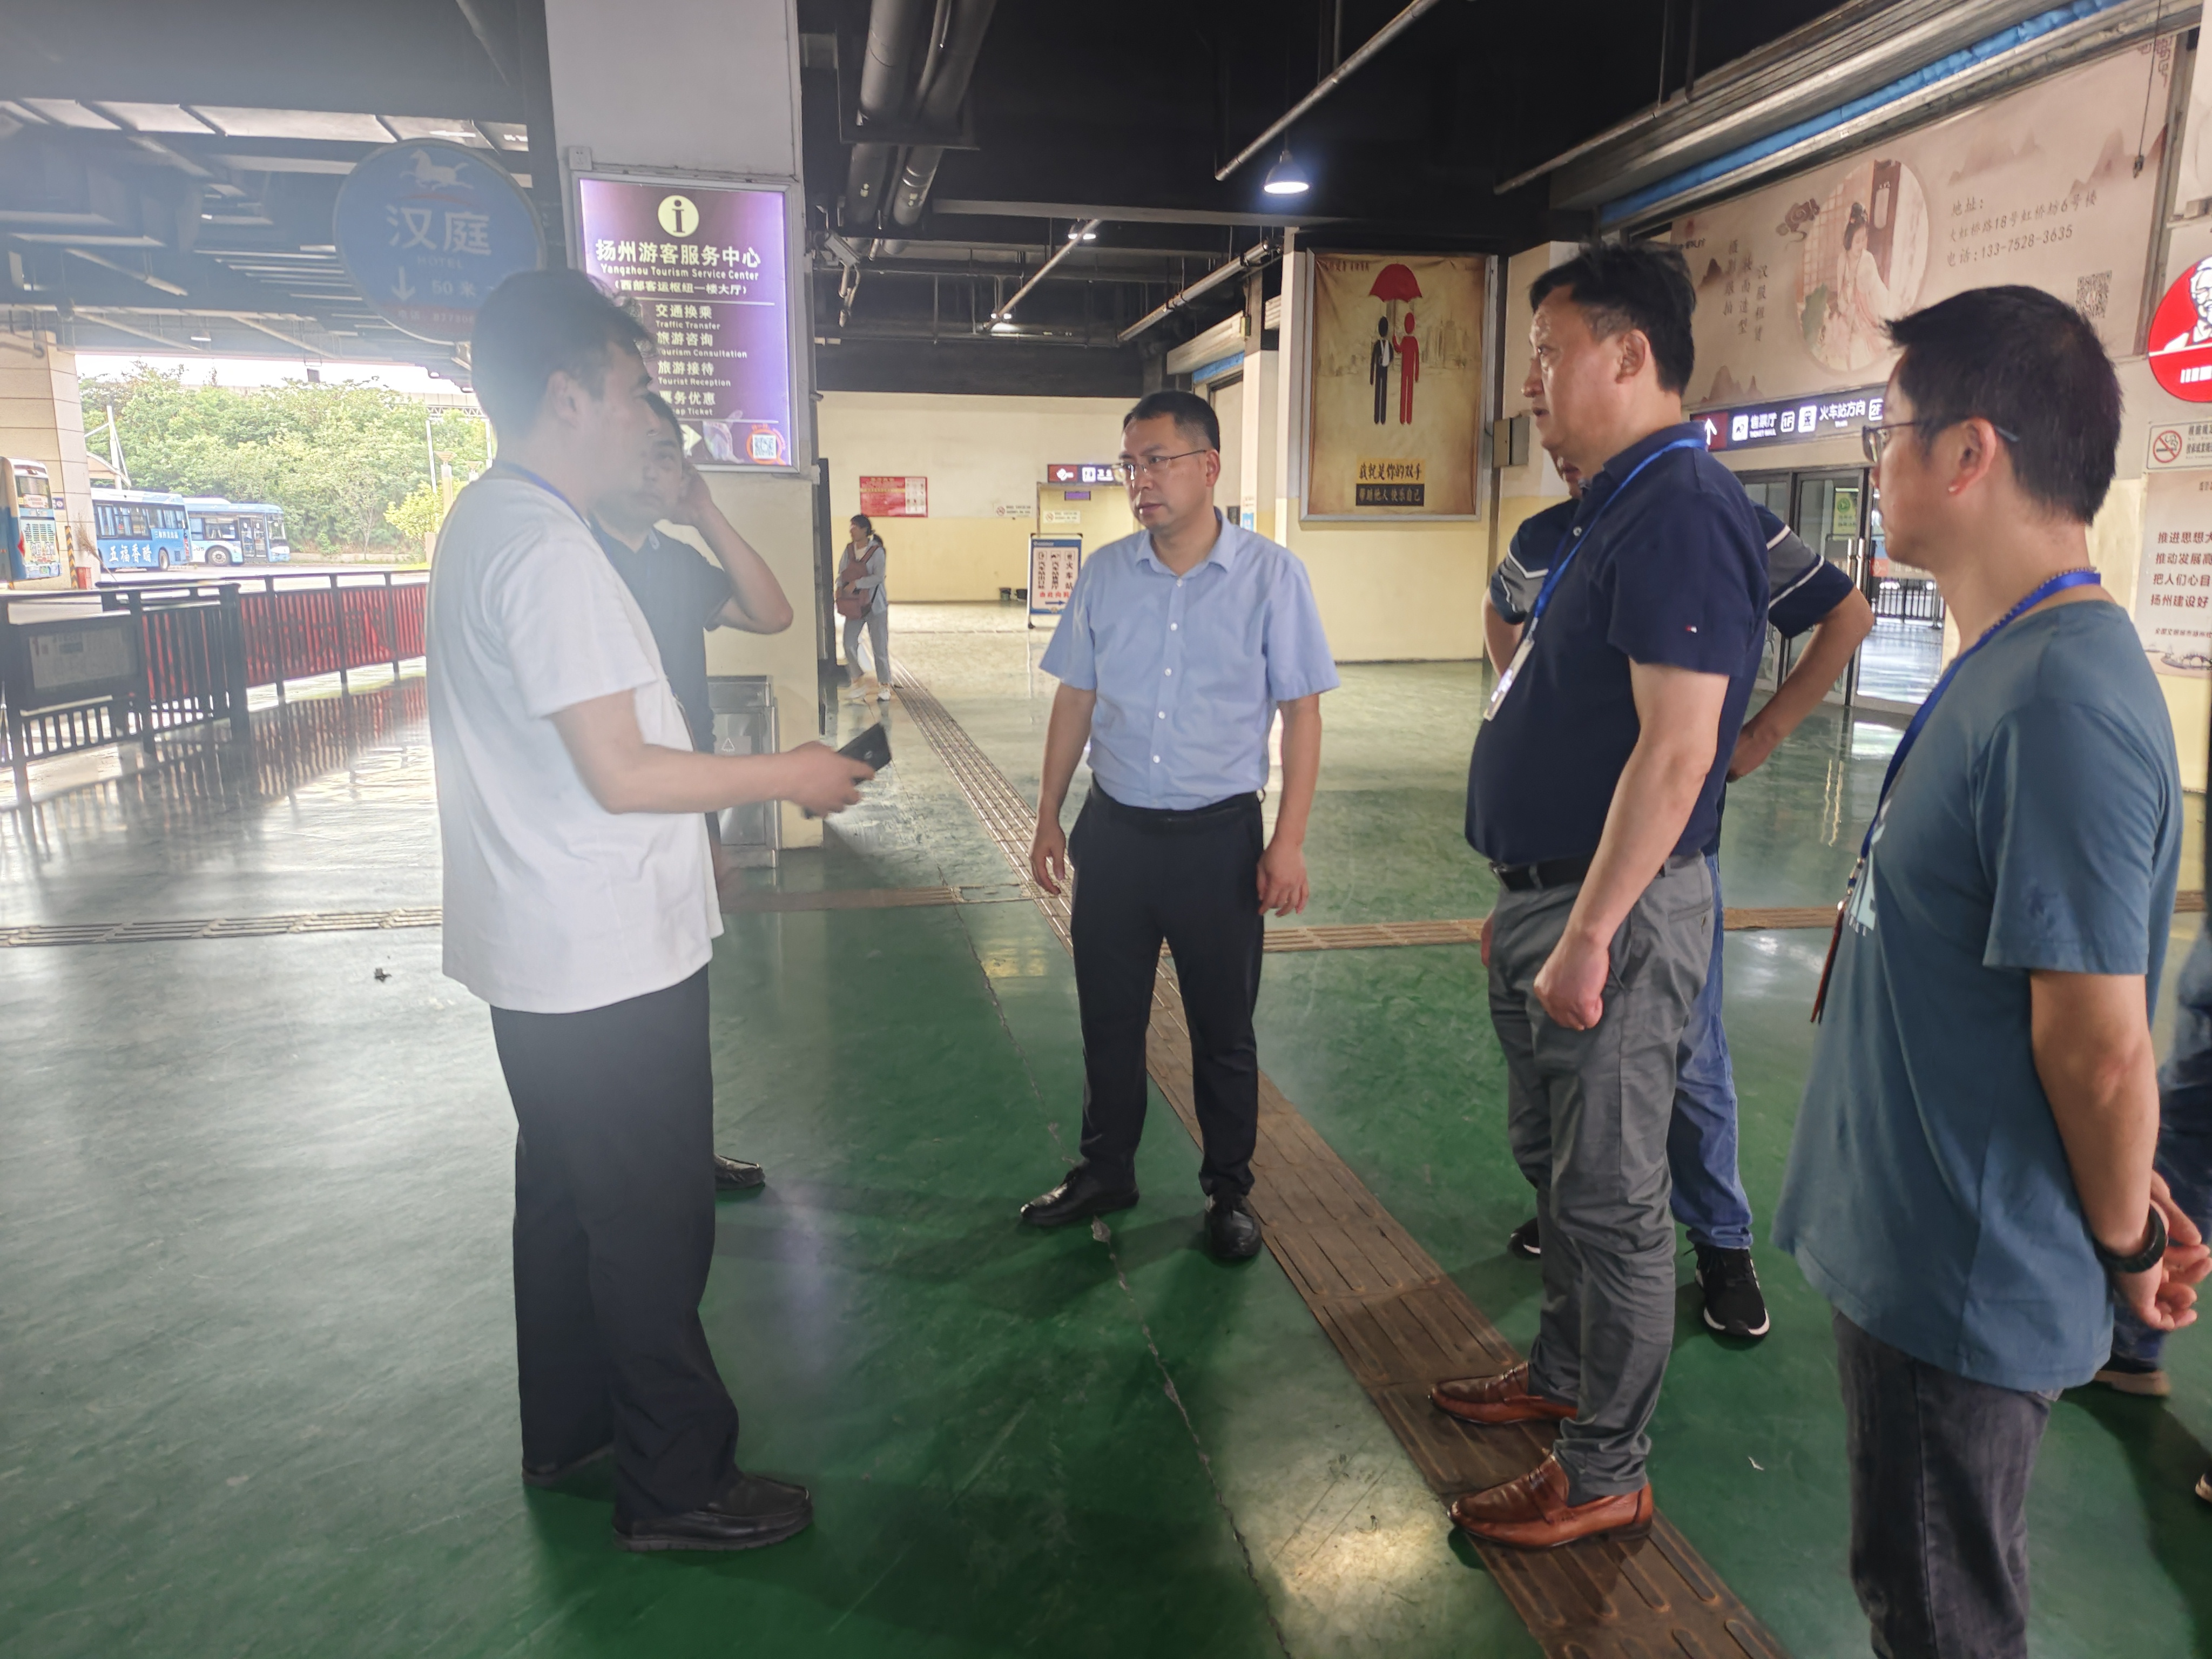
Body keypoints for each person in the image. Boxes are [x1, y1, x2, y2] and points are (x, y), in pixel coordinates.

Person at [1771, 285, 2210, 1656]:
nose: (1875, 467)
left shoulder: (2062, 699)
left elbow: (2098, 1048)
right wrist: (2123, 1187)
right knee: (1915, 1591)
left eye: (1887, 434)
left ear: (1970, 453)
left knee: (1942, 1615)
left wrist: (2126, 1242)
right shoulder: (2007, 661)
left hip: (1960, 1277)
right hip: (1926, 1237)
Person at [427, 269, 872, 1553]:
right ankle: (675, 1482)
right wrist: (791, 772)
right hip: (605, 957)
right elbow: (620, 770)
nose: (642, 414)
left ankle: (571, 1427)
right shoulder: (551, 551)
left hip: (540, 952)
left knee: (568, 1201)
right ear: (567, 394)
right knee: (648, 1221)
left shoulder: (485, 522)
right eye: (629, 388)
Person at [1436, 239, 1769, 1550]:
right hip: (1560, 899)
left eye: (1547, 352)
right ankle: (1564, 1375)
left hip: (1612, 918)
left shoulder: (1679, 505)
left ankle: (1603, 1468)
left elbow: (1677, 751)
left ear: (1628, 356)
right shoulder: (1609, 508)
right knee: (1560, 1174)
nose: (1530, 381)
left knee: (1614, 1202)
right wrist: (1527, 893)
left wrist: (1583, 929)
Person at [1487, 433, 1874, 1339]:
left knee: (1689, 1055)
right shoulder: (1545, 537)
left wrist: (1764, 732)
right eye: (1547, 421)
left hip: (1665, 858)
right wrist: (1527, 694)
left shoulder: (1718, 523)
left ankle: (1721, 1241)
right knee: (1559, 1060)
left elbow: (1847, 613)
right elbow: (1502, 611)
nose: (1561, 441)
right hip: (1557, 859)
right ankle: (1565, 1214)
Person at [1019, 389, 1337, 1261]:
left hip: (1217, 846)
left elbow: (1303, 714)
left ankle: (1229, 1191)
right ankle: (1106, 1169)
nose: (1141, 481)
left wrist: (1288, 841)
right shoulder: (1105, 575)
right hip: (1115, 835)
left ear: (1209, 466)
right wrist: (1048, 814)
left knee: (1223, 1033)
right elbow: (1075, 698)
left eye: (1157, 461)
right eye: (1130, 465)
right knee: (1108, 1020)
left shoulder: (1272, 578)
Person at [590, 389, 797, 1193]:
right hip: (605, 812)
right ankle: (622, 1166)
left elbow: (773, 614)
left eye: (670, 457)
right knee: (611, 1004)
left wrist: (705, 512)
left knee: (681, 994)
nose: (657, 471)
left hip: (682, 800)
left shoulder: (671, 562)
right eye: (643, 452)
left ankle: (681, 1155)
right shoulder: (573, 557)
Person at [839, 514, 891, 704]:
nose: (851, 530)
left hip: (875, 606)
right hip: (855, 606)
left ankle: (884, 685)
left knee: (879, 647)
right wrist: (840, 589)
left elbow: (878, 577)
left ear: (864, 530)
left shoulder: (877, 552)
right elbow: (842, 573)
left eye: (855, 527)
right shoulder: (848, 551)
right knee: (848, 644)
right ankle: (858, 680)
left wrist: (857, 583)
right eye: (851, 526)